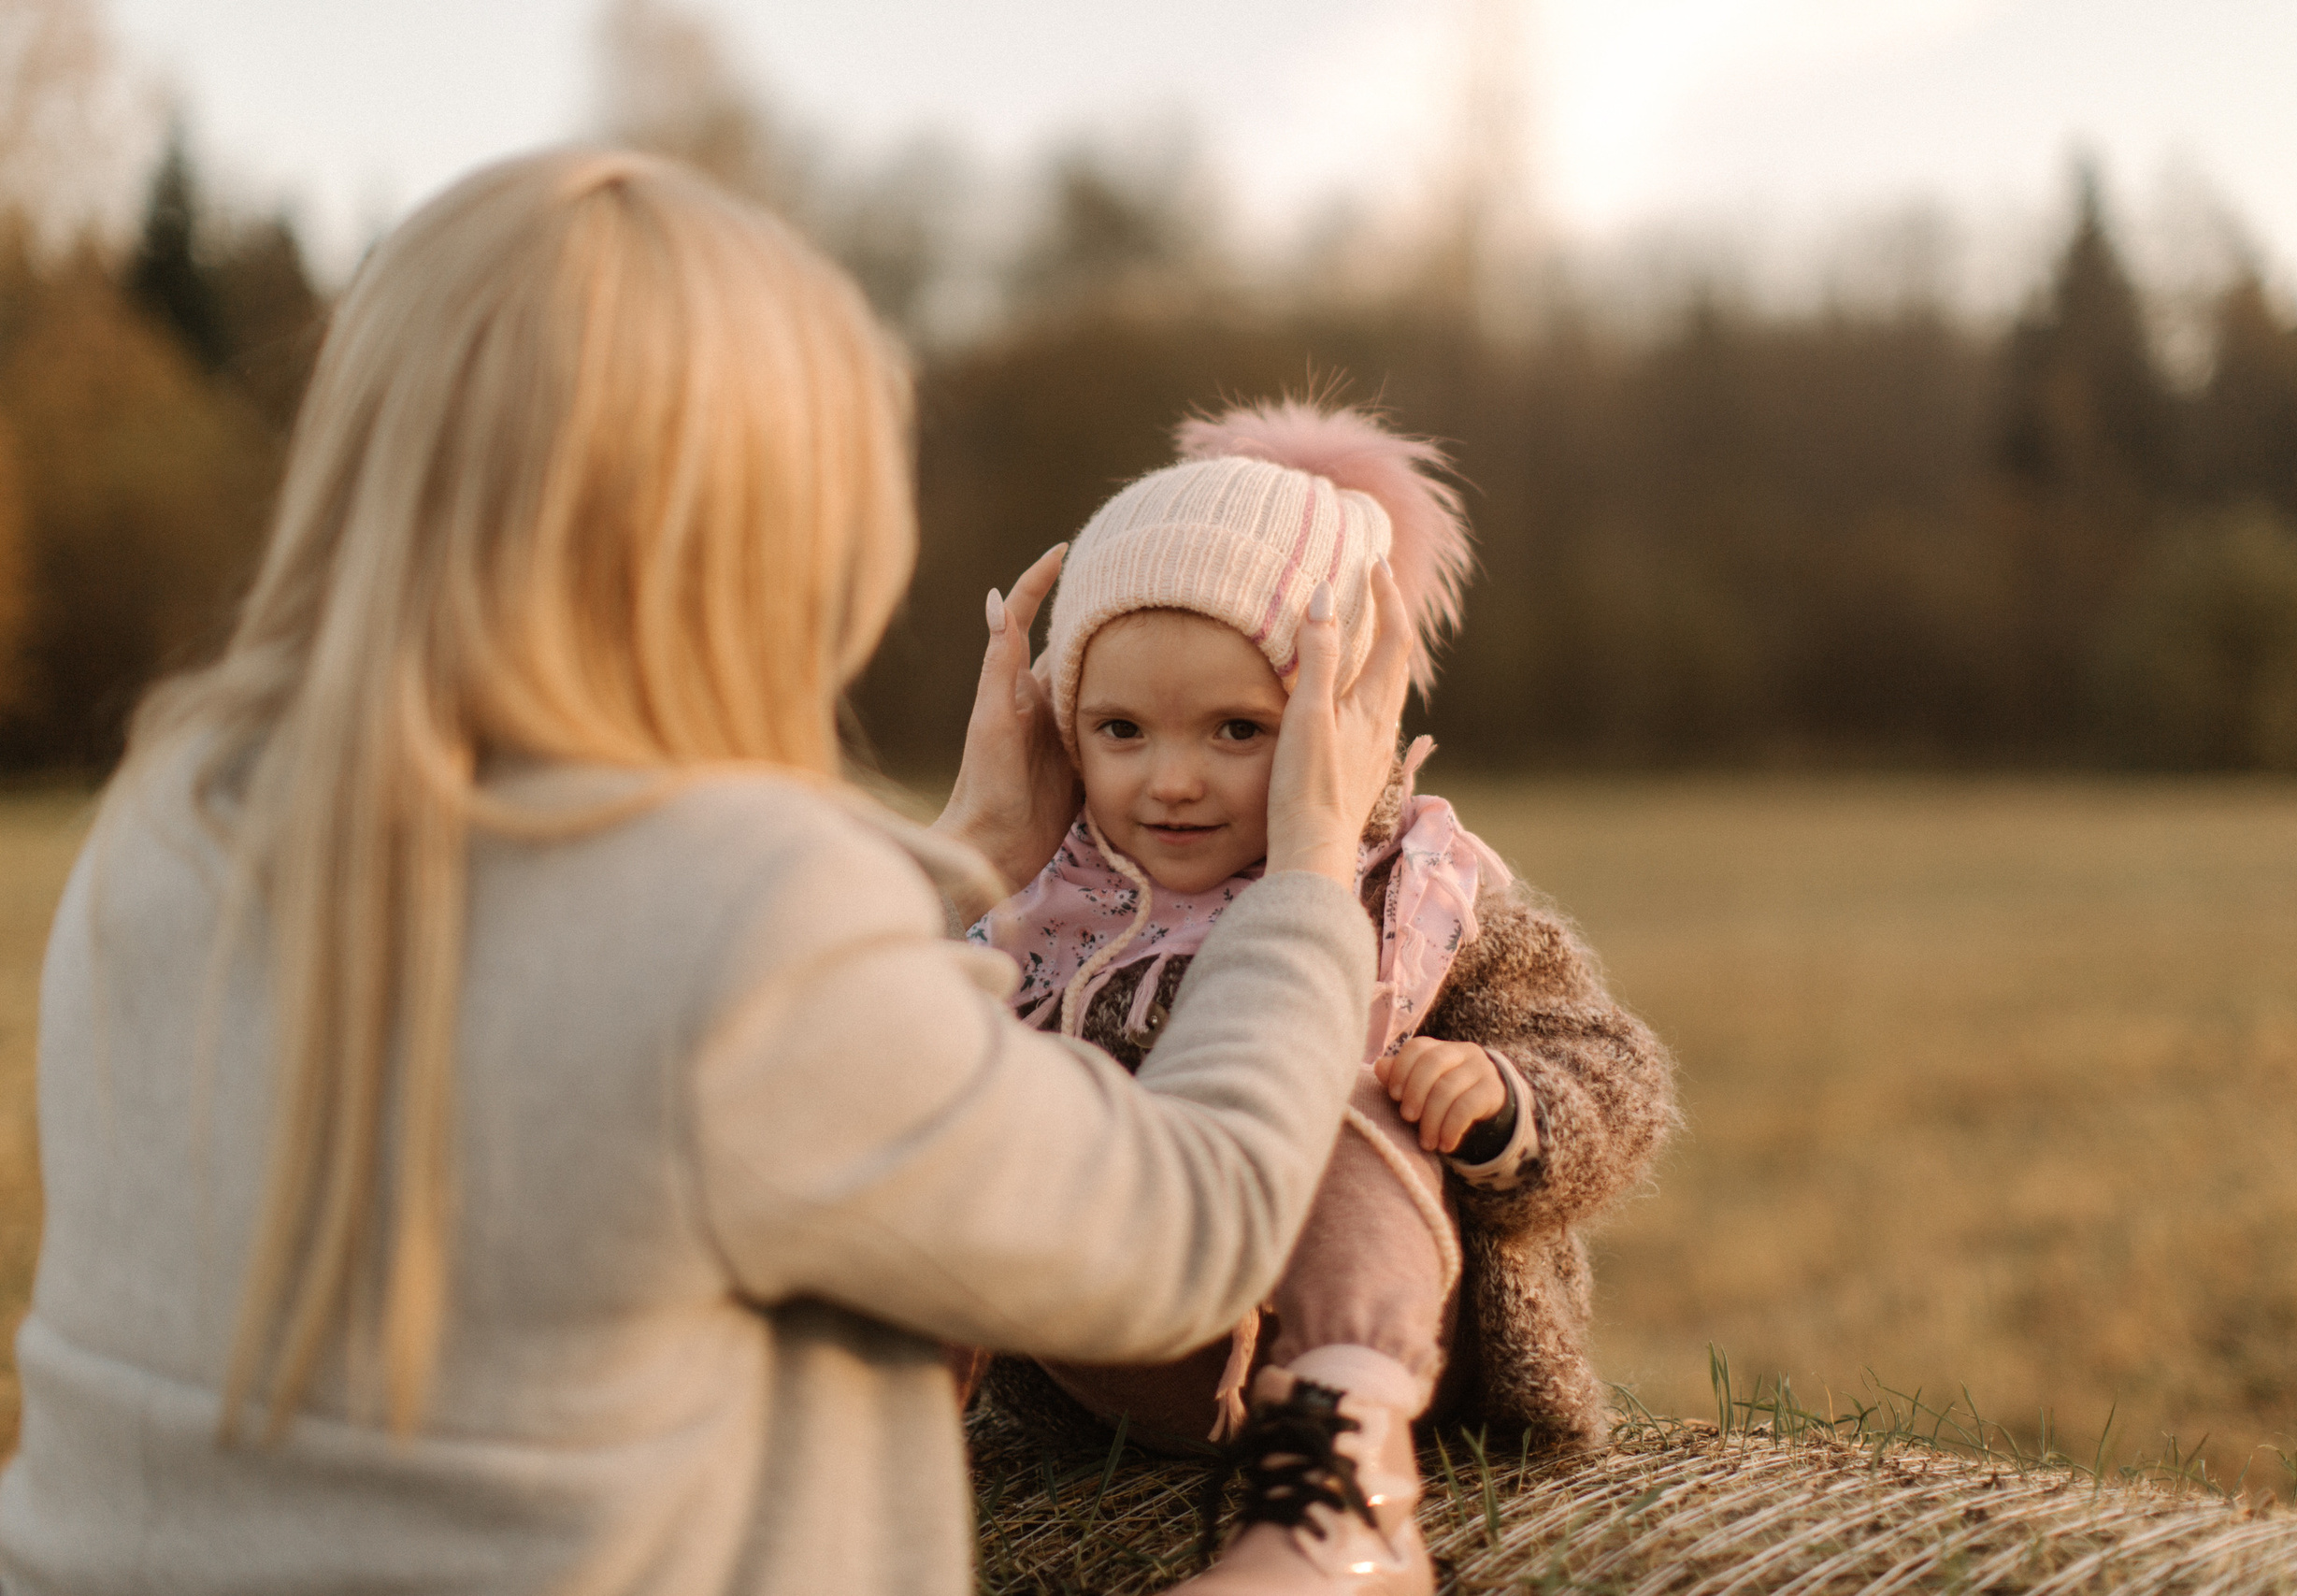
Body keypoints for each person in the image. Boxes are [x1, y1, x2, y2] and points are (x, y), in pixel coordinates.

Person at [0, 151, 1414, 1596]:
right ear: (762, 528)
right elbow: (1190, 1228)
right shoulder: (736, 912)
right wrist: (1308, 871)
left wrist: (973, 853)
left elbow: (642, 1055)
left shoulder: (169, 819)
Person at [963, 401, 1678, 1595]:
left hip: (1381, 1335)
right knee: (958, 1082)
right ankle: (855, 1454)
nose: (1172, 779)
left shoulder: (1415, 896)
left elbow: (1616, 1073)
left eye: (1242, 729)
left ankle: (1347, 1490)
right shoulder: (1051, 899)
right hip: (1125, 1347)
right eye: (1121, 728)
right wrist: (978, 868)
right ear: (1061, 725)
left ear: (1337, 719)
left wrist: (1507, 1103)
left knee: (1340, 1086)